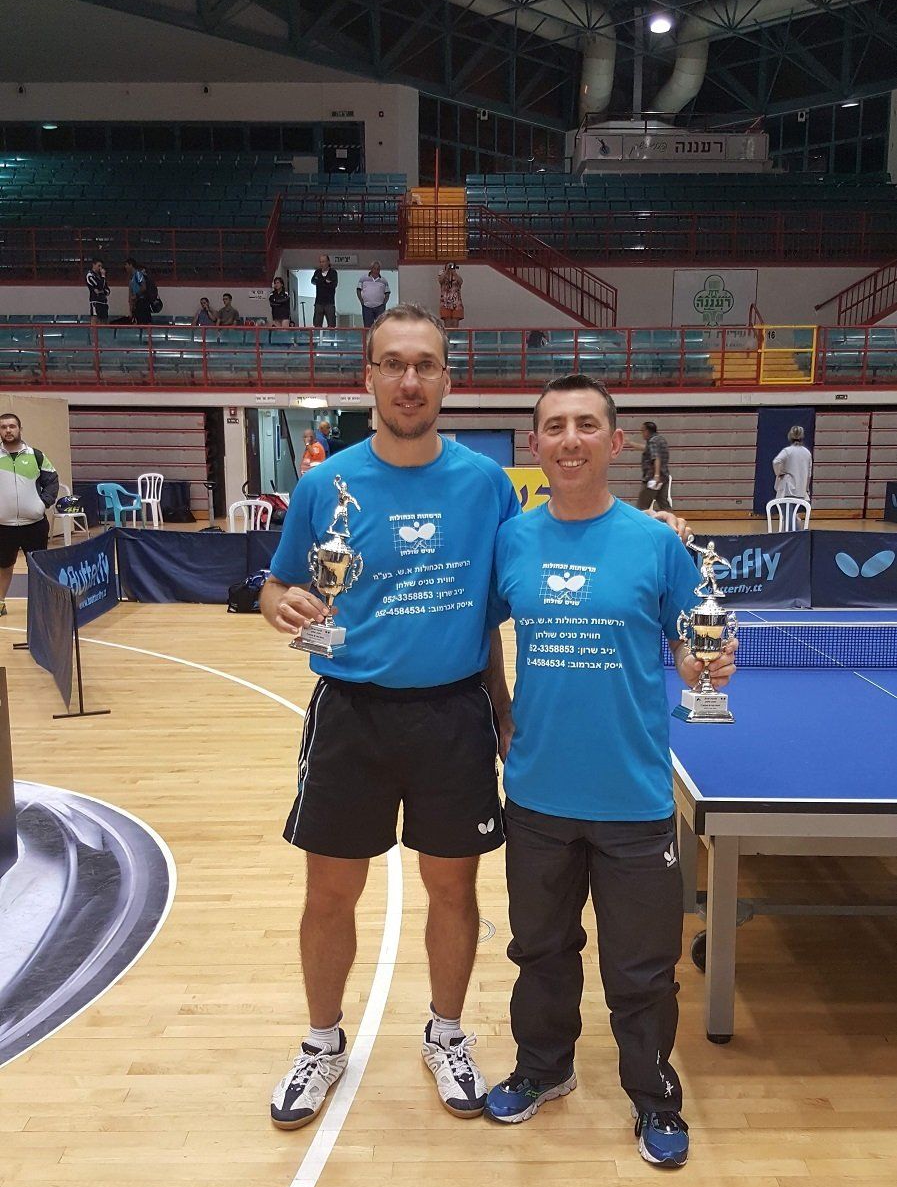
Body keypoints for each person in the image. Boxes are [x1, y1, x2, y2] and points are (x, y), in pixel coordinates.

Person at [259, 305, 691, 1133]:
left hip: (453, 714)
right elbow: (278, 584)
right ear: (369, 376)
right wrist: (280, 605)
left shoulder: (486, 484)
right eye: (393, 363)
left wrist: (498, 703)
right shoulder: (323, 484)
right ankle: (320, 1043)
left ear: (446, 379)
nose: (408, 379)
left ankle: (447, 1034)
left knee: (452, 889)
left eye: (424, 364)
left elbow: (529, 571)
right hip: (350, 712)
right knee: (330, 891)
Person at [483, 376, 736, 1169]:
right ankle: (543, 1067)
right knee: (540, 950)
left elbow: (693, 639)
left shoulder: (656, 544)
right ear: (535, 444)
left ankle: (653, 1094)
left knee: (642, 969)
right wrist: (499, 708)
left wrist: (705, 663)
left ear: (615, 442)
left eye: (586, 425)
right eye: (554, 426)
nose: (570, 439)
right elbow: (482, 630)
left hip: (632, 796)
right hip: (536, 794)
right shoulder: (511, 541)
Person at [0, 412, 59, 617]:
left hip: (34, 524)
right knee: (4, 566)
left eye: (12, 426)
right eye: (3, 427)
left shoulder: (36, 455)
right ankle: (0, 603)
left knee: (38, 566)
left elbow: (52, 481)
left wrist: (42, 504)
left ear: (20, 429)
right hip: (4, 526)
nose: (8, 430)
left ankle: (42, 604)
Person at [632, 420, 671, 512]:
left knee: (642, 507)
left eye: (642, 431)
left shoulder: (652, 441)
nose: (641, 433)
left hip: (652, 479)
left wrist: (656, 475)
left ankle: (640, 522)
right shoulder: (661, 439)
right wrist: (630, 443)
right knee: (664, 505)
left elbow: (656, 457)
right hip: (664, 478)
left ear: (647, 431)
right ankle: (672, 520)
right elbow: (646, 449)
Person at [773, 424, 813, 501]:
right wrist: (806, 489)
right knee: (797, 508)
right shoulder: (807, 453)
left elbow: (776, 462)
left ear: (790, 437)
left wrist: (779, 473)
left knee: (785, 508)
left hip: (787, 489)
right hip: (801, 490)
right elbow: (809, 474)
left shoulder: (787, 451)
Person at [356, 261, 390, 328]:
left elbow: (387, 293)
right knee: (368, 327)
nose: (376, 270)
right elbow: (358, 290)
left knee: (380, 326)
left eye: (378, 269)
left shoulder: (384, 280)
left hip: (380, 307)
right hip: (367, 307)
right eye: (374, 268)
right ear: (371, 268)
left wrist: (383, 304)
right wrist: (362, 302)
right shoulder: (363, 278)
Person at [311, 255, 339, 329]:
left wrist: (320, 281)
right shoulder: (317, 272)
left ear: (328, 262)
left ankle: (331, 337)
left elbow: (333, 285)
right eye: (320, 262)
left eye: (323, 262)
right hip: (318, 302)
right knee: (317, 325)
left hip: (329, 302)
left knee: (331, 325)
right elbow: (313, 281)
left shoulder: (333, 272)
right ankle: (317, 337)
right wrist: (325, 281)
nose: (321, 264)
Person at [125, 257, 154, 326]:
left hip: (142, 302)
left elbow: (143, 287)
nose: (125, 267)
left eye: (126, 265)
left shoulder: (138, 274)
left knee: (144, 323)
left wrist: (136, 296)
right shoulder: (131, 278)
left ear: (131, 265)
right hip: (137, 303)